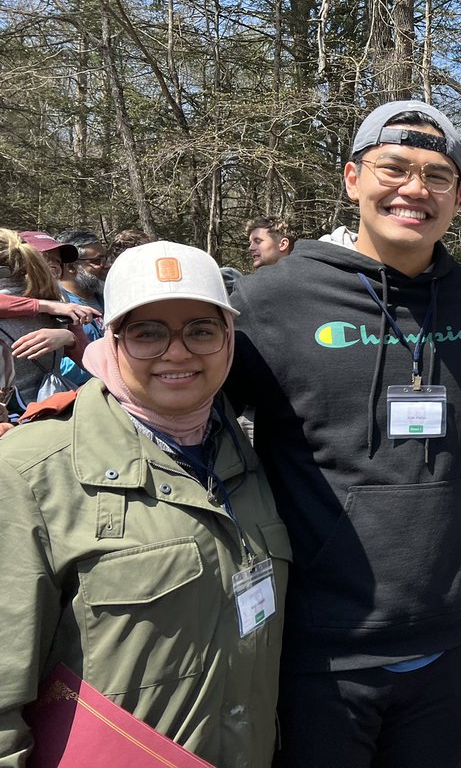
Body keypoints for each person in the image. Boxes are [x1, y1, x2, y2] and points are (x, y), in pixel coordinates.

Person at [226, 100, 461, 768]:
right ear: (353, 179)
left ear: (459, 196)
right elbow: (181, 415)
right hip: (321, 648)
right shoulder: (272, 302)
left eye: (437, 176)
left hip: (446, 643)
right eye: (395, 168)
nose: (415, 189)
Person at [0, 241, 289, 767]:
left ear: (230, 340)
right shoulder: (29, 474)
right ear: (109, 340)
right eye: (147, 332)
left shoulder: (248, 458)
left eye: (201, 329)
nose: (177, 352)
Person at [0, 230, 90, 411]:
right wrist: (44, 306)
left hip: (43, 408)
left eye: (58, 261)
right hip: (39, 412)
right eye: (46, 258)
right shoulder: (59, 302)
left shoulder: (61, 298)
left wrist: (68, 338)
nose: (54, 266)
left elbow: (88, 359)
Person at [56, 229, 107, 340]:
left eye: (105, 259)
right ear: (71, 267)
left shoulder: (107, 297)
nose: (106, 265)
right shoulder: (58, 309)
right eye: (97, 261)